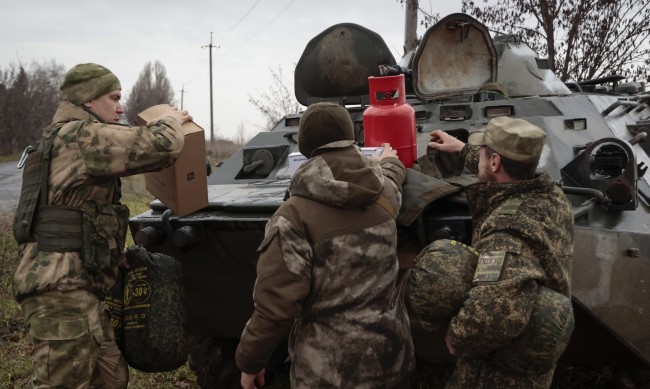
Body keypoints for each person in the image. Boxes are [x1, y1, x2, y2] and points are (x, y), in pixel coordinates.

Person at [12, 63, 192, 388]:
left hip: (78, 289)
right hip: (60, 294)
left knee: (110, 377)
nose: (121, 107)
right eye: (114, 97)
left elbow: (79, 216)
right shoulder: (81, 136)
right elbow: (162, 144)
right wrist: (171, 121)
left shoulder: (63, 140)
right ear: (89, 101)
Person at [235, 102, 415, 389]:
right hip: (391, 360)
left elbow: (276, 307)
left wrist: (250, 362)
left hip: (329, 374)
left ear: (305, 148)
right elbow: (392, 178)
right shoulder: (383, 195)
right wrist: (390, 161)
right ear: (351, 137)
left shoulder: (292, 218)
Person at [428, 116, 574, 388]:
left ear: (495, 162)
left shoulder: (508, 228)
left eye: (483, 154)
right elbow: (501, 167)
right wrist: (462, 150)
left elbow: (494, 315)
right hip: (533, 355)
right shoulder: (550, 193)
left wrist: (457, 338)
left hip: (498, 373)